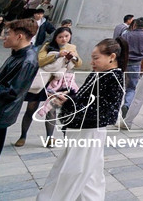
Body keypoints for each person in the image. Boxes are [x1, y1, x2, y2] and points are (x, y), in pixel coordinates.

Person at [37, 37, 126, 200]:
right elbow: (83, 99)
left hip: (89, 133)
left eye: (96, 58)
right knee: (88, 177)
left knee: (71, 173)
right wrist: (69, 98)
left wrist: (71, 104)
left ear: (111, 57)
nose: (92, 62)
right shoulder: (99, 73)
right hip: (81, 131)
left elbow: (105, 113)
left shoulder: (113, 78)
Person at [16, 26, 82, 146]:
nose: (63, 39)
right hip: (41, 82)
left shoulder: (72, 48)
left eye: (66, 36)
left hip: (56, 84)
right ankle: (23, 136)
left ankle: (49, 138)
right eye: (60, 37)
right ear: (55, 37)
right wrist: (57, 55)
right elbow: (40, 61)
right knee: (31, 109)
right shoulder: (47, 46)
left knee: (51, 111)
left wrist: (73, 57)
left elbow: (78, 63)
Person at [0, 18, 39, 163]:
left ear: (19, 36)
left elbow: (12, 91)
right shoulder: (17, 53)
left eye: (8, 33)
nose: (4, 37)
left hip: (1, 112)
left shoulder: (27, 60)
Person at [121, 17, 143, 115]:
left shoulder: (126, 35)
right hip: (136, 64)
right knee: (132, 87)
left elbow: (120, 49)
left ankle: (118, 105)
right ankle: (127, 104)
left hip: (124, 63)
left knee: (121, 85)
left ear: (134, 25)